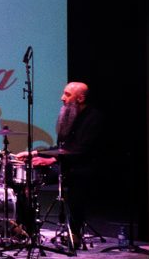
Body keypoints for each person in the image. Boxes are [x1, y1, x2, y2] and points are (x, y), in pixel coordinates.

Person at [24, 81, 103, 248]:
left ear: (80, 98)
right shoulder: (69, 116)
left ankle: (75, 232)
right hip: (65, 165)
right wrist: (34, 154)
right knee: (27, 177)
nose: (62, 98)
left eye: (67, 94)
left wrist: (52, 160)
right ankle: (25, 228)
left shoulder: (94, 119)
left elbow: (81, 150)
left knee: (77, 180)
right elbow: (62, 148)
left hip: (83, 167)